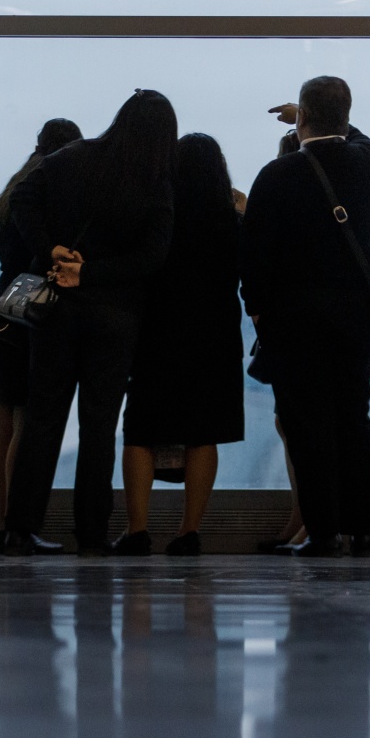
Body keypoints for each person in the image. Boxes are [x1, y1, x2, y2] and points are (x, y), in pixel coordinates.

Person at [2, 90, 177, 557]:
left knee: (42, 420)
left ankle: (21, 528)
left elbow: (21, 200)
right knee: (98, 427)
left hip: (57, 311)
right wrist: (93, 273)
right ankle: (92, 535)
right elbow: (153, 255)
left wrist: (52, 251)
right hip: (115, 319)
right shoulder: (154, 181)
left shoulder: (70, 157)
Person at [239, 76, 370, 558]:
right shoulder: (369, 164)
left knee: (308, 427)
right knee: (354, 421)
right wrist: (322, 117)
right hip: (356, 319)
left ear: (301, 117)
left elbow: (255, 257)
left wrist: (259, 313)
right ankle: (362, 531)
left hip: (294, 320)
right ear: (346, 115)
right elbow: (357, 137)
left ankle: (322, 533)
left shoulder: (275, 176)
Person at [117, 132, 245, 557]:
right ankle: (189, 530)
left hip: (157, 332)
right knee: (201, 433)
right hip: (214, 336)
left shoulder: (159, 211)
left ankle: (137, 529)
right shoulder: (229, 218)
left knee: (141, 429)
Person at [0, 118, 82, 549]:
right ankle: (18, 526)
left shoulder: (14, 190)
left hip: (3, 309)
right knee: (26, 421)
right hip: (35, 312)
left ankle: (6, 519)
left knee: (3, 420)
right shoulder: (54, 193)